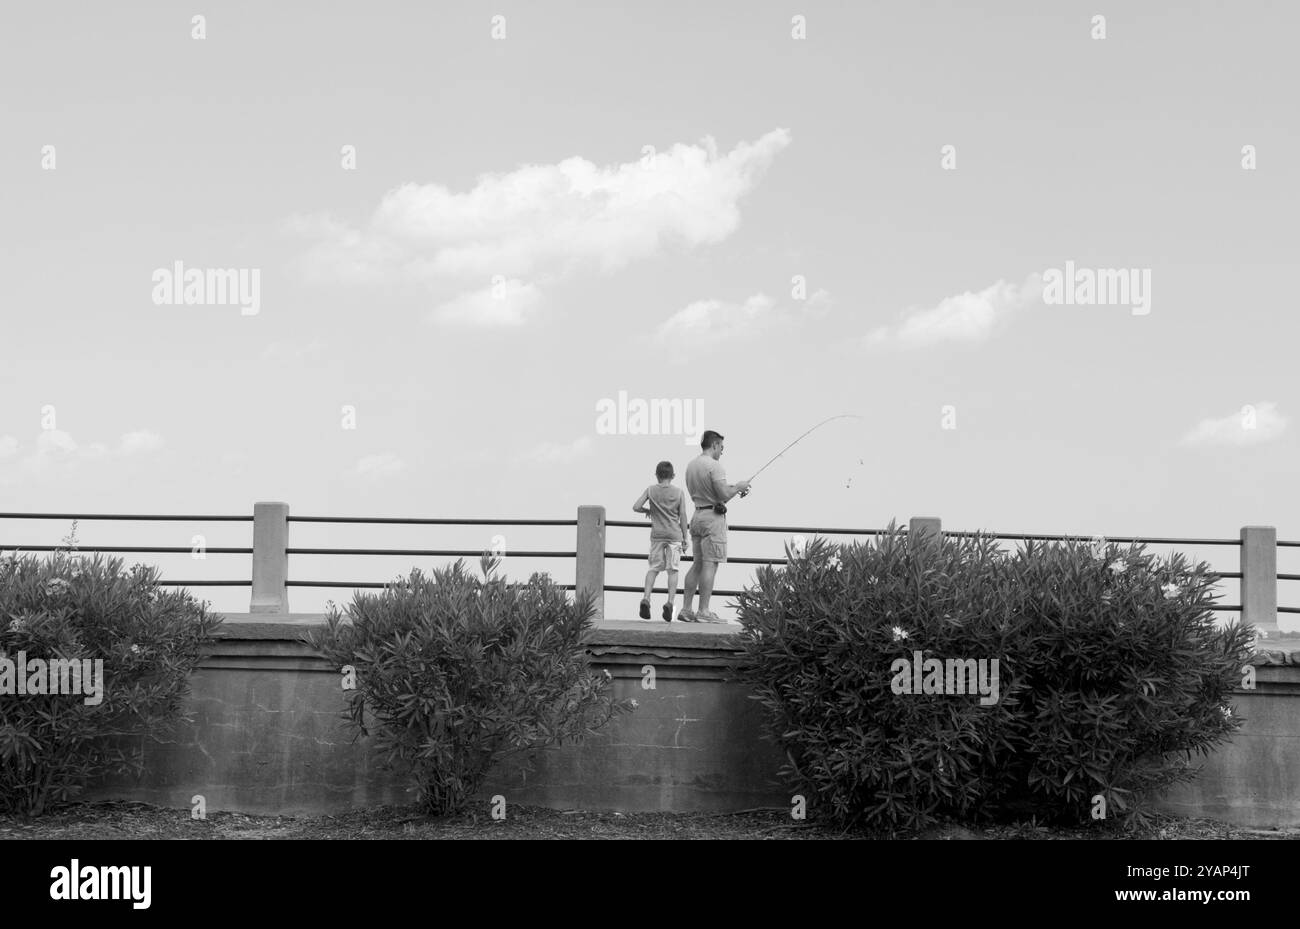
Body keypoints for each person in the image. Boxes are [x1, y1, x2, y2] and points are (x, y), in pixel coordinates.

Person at [679, 430, 750, 623]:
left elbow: (710, 491)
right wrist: (739, 487)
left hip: (697, 515)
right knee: (711, 563)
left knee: (698, 563)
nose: (722, 452)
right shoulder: (715, 466)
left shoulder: (691, 465)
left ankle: (686, 609)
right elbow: (724, 494)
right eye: (721, 447)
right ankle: (704, 612)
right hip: (712, 519)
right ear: (715, 445)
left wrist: (730, 489)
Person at [632, 461, 689, 622]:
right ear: (673, 476)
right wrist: (685, 538)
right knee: (673, 570)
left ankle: (646, 598)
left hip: (657, 535)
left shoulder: (651, 490)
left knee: (653, 568)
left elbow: (636, 506)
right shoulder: (678, 492)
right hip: (674, 536)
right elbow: (683, 515)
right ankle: (670, 603)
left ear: (657, 475)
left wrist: (647, 510)